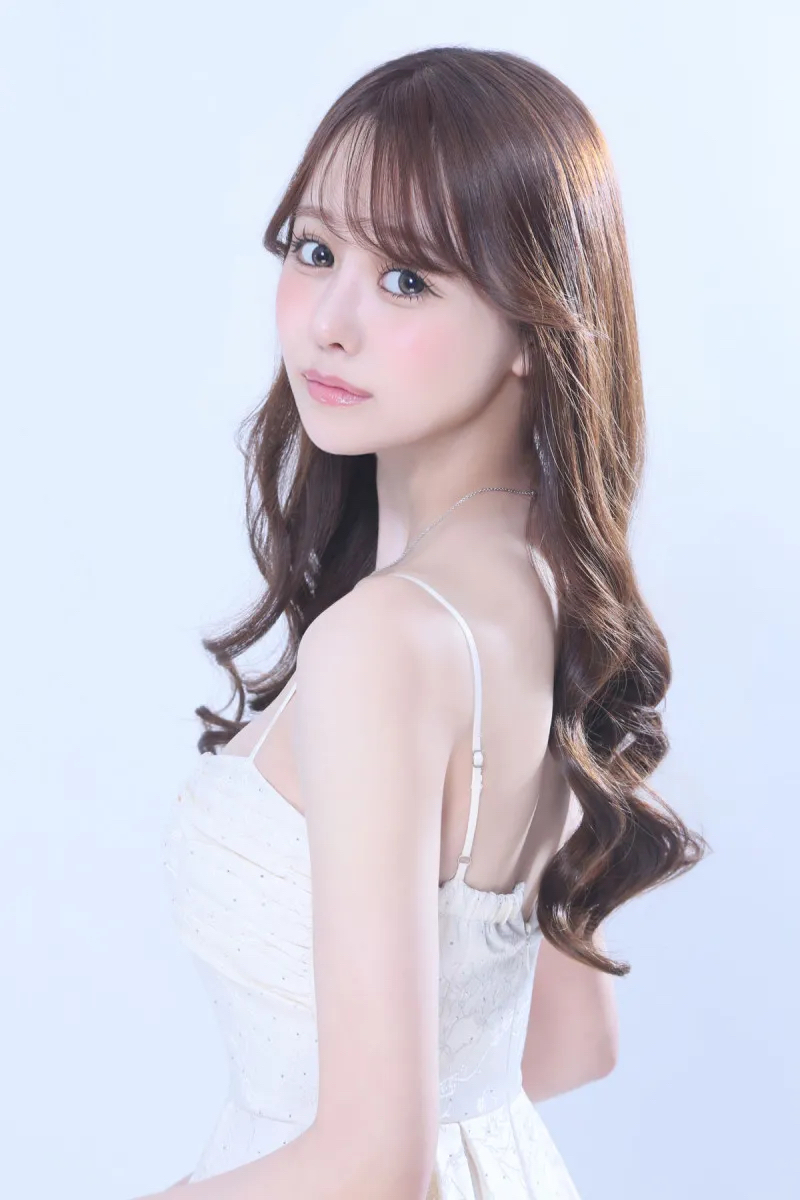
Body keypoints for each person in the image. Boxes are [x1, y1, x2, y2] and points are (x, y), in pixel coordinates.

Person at [152, 45, 708, 1200]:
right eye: (315, 251)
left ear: (535, 327)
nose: (329, 322)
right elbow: (569, 1044)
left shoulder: (385, 641)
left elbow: (369, 1166)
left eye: (407, 279)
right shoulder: (546, 588)